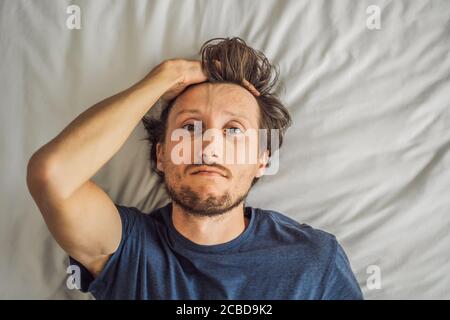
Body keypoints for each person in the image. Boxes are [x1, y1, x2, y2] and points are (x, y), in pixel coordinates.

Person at [26, 37, 363, 299]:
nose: (209, 145)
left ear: (263, 159)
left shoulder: (315, 261)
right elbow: (52, 175)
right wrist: (165, 77)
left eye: (233, 131)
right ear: (161, 155)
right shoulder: (129, 250)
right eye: (189, 127)